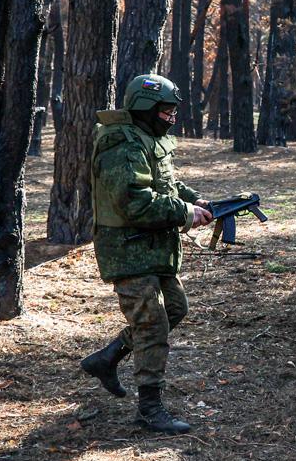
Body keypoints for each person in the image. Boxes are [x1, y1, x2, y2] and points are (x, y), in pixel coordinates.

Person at [79, 74, 213, 434]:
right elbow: (135, 201)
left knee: (175, 309)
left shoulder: (146, 137)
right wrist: (184, 212)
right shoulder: (121, 143)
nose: (172, 117)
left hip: (151, 247)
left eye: (173, 111)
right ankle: (149, 410)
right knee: (152, 323)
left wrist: (193, 199)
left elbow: (163, 183)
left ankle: (108, 358)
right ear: (145, 108)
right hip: (127, 250)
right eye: (166, 111)